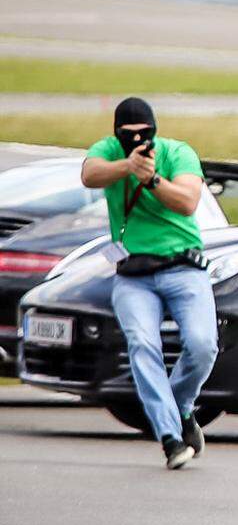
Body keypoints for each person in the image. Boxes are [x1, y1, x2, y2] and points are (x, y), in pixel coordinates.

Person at [81, 98, 218, 469]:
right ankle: (170, 437)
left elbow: (188, 201)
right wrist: (127, 166)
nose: (139, 140)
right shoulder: (108, 152)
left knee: (203, 345)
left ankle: (181, 408)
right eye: (130, 136)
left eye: (146, 134)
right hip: (132, 276)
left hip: (183, 267)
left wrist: (151, 180)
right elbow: (89, 174)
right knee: (143, 346)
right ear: (117, 135)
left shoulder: (177, 152)